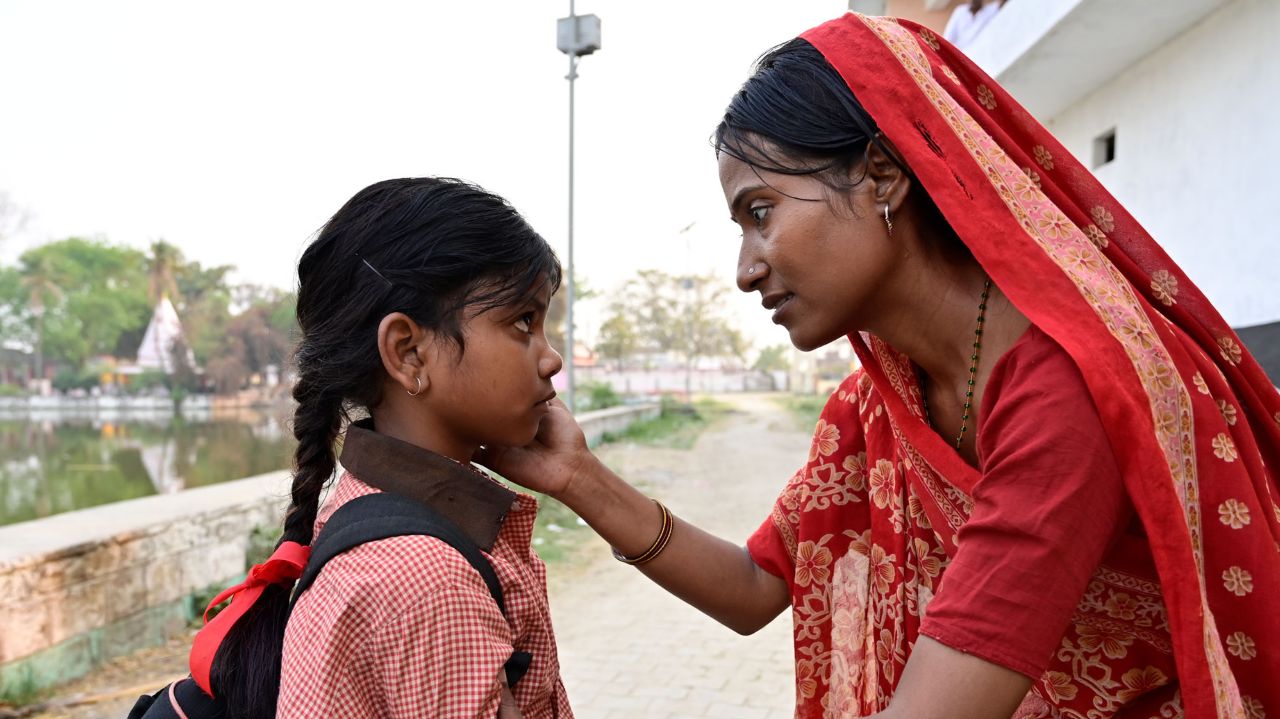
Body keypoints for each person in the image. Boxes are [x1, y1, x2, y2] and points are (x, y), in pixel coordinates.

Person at [478, 13, 1280, 719]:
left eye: (761, 212)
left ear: (883, 175)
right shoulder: (877, 403)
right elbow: (756, 586)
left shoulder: (1067, 393)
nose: (745, 269)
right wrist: (576, 476)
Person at [185, 178, 572, 718]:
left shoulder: (378, 512)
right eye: (523, 322)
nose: (551, 358)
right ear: (408, 352)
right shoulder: (428, 580)